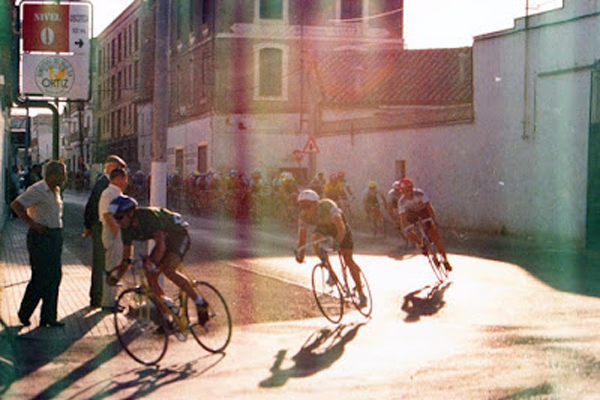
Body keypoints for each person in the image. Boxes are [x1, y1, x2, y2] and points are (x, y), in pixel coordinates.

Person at [107, 195, 209, 325]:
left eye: (120, 217)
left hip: (178, 235)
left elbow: (161, 244)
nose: (118, 221)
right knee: (151, 276)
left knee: (168, 270)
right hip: (164, 239)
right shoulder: (126, 229)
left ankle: (200, 302)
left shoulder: (148, 217)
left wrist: (153, 262)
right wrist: (117, 277)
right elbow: (126, 259)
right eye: (115, 218)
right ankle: (167, 317)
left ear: (131, 213)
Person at [11, 160, 67, 328]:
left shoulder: (56, 190)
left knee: (55, 276)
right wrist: (33, 224)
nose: (64, 178)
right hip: (41, 237)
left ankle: (48, 317)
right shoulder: (38, 189)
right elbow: (16, 205)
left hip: (55, 236)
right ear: (52, 175)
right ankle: (24, 313)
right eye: (61, 175)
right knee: (40, 277)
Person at [294, 189, 367, 307]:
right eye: (301, 206)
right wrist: (300, 253)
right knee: (315, 238)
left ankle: (361, 292)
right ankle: (330, 272)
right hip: (324, 228)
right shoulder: (303, 215)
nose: (305, 210)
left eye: (307, 206)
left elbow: (341, 228)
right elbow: (302, 239)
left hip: (340, 228)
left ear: (316, 204)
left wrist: (337, 242)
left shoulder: (328, 206)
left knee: (348, 259)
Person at [82, 155, 127, 308]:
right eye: (118, 168)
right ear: (110, 167)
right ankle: (98, 298)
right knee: (102, 264)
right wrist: (89, 226)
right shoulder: (105, 184)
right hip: (101, 227)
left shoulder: (105, 183)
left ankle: (100, 298)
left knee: (104, 264)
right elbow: (93, 206)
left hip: (100, 226)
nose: (121, 173)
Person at [396, 178, 452, 272]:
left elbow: (429, 207)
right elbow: (403, 218)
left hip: (423, 211)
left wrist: (433, 220)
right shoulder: (401, 201)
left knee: (435, 235)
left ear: (412, 188)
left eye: (408, 190)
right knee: (409, 232)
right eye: (404, 191)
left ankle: (445, 260)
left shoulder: (419, 193)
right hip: (411, 214)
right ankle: (421, 244)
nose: (406, 193)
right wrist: (405, 228)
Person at [97, 167, 129, 312]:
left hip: (116, 233)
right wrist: (117, 233)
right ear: (117, 179)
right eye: (124, 178)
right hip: (112, 233)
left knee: (116, 266)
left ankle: (112, 300)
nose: (126, 182)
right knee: (112, 267)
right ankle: (108, 303)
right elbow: (107, 214)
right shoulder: (109, 193)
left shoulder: (116, 193)